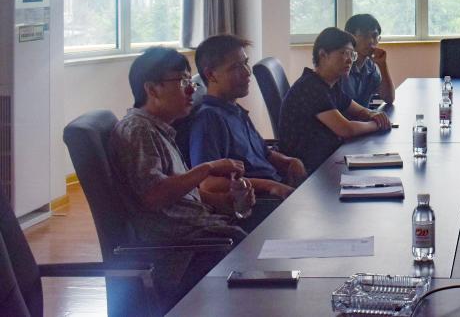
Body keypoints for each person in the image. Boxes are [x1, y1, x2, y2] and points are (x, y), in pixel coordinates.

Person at [108, 47, 251, 307]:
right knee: (258, 261)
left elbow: (178, 195)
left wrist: (226, 201)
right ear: (152, 89)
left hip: (199, 238)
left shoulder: (157, 129)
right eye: (182, 81)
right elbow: (154, 195)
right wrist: (206, 168)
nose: (192, 89)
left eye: (189, 81)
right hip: (182, 254)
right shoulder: (139, 130)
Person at [189, 34, 305, 199]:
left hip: (279, 188)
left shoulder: (234, 109)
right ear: (210, 75)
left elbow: (265, 154)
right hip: (260, 201)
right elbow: (208, 184)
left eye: (245, 63)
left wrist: (289, 161)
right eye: (236, 67)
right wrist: (269, 186)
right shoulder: (209, 119)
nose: (247, 72)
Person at [279, 27, 392, 171]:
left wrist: (372, 114)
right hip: (309, 169)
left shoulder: (330, 84)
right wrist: (377, 124)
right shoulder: (311, 86)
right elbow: (346, 129)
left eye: (352, 54)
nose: (349, 60)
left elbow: (358, 110)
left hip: (328, 157)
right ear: (323, 54)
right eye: (344, 53)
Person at [343, 13, 396, 106]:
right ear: (350, 37)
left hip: (364, 115)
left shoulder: (370, 66)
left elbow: (389, 98)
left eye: (374, 36)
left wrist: (382, 65)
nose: (371, 41)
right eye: (365, 36)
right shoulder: (341, 65)